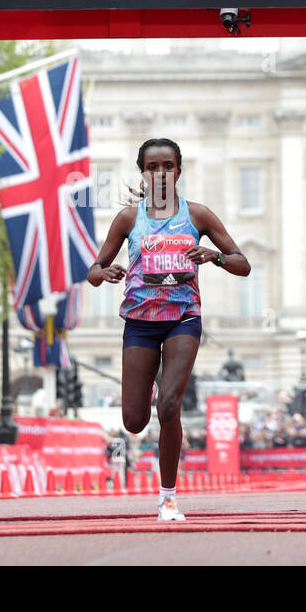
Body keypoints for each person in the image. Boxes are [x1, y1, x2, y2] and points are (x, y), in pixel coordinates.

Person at [88, 137, 250, 521]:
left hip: (183, 319)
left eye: (167, 166)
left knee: (170, 406)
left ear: (178, 171)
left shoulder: (197, 216)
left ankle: (168, 497)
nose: (160, 173)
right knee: (134, 421)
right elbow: (94, 270)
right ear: (143, 172)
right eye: (152, 167)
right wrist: (104, 272)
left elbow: (242, 264)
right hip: (141, 323)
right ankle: (152, 385)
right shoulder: (129, 218)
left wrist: (215, 256)